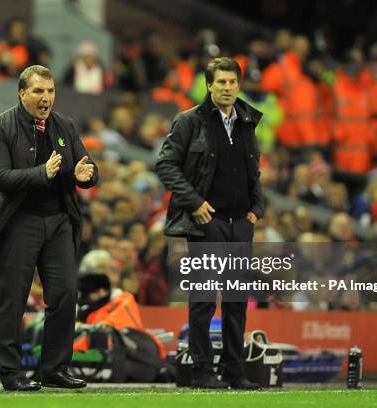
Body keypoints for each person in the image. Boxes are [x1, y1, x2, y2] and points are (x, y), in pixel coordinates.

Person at [0, 65, 98, 391]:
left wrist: (87, 175)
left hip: (59, 220)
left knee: (65, 293)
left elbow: (86, 166)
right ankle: (10, 372)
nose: (45, 98)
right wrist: (42, 173)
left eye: (50, 91)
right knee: (13, 299)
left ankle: (54, 369)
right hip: (17, 220)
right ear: (22, 93)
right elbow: (0, 176)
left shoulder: (64, 125)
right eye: (38, 91)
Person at [155, 57, 264, 390]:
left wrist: (256, 209)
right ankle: (203, 371)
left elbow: (253, 170)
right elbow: (165, 165)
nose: (227, 88)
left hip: (240, 222)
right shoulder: (190, 121)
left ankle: (234, 370)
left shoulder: (247, 120)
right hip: (207, 220)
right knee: (203, 299)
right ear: (209, 85)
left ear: (239, 85)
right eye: (221, 82)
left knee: (235, 300)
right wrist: (195, 203)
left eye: (232, 82)